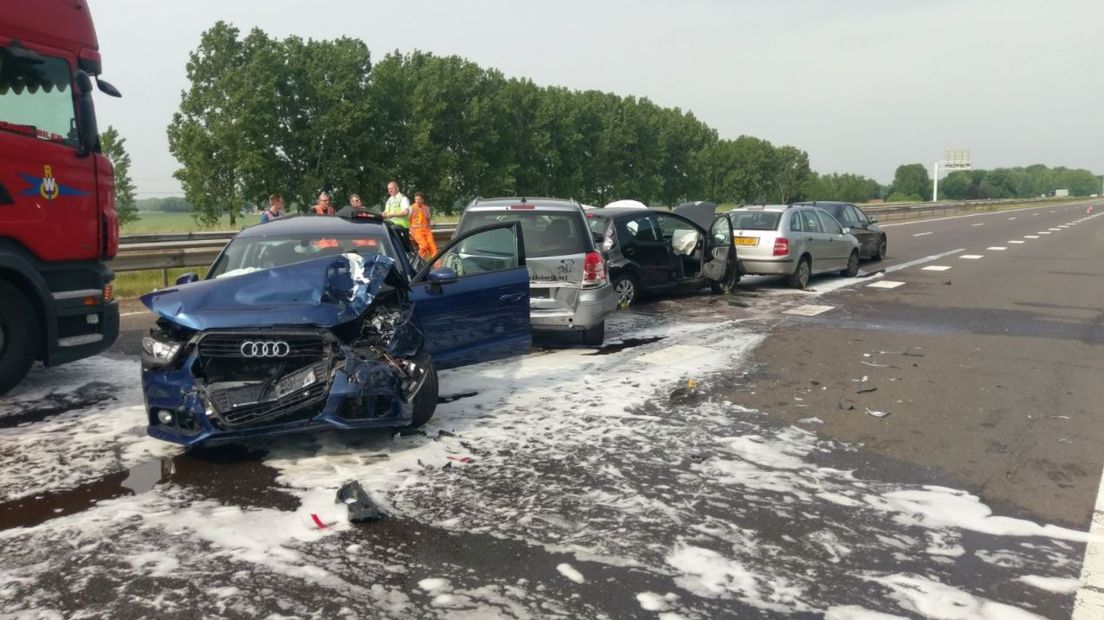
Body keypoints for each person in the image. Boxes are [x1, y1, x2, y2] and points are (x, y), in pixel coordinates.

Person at [409, 191, 438, 260]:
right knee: (424, 246)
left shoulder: (426, 208)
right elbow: (407, 220)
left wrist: (429, 228)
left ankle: (437, 265)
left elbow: (428, 220)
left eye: (419, 199)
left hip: (426, 231)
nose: (417, 201)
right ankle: (418, 261)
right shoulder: (411, 208)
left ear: (422, 200)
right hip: (416, 231)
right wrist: (410, 230)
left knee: (433, 248)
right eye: (416, 199)